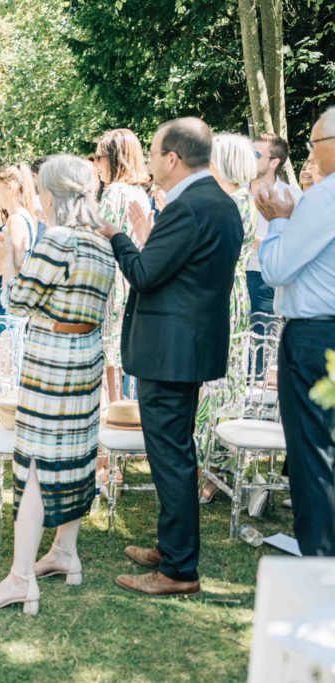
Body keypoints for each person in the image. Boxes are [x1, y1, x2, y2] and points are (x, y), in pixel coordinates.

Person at [102, 117, 242, 597]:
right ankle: (170, 546)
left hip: (170, 352)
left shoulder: (188, 209)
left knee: (171, 457)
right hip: (189, 347)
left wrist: (115, 236)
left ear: (173, 159)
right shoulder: (219, 203)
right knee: (175, 451)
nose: (151, 162)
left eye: (155, 153)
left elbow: (142, 273)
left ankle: (179, 569)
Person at [0, 155, 116, 615]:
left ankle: (20, 579)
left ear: (50, 194)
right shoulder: (100, 243)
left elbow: (17, 300)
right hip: (87, 356)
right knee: (75, 456)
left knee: (35, 460)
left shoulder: (58, 241)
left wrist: (12, 262)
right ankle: (64, 553)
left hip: (52, 358)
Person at [256, 106, 335, 557]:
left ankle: (319, 560)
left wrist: (280, 219)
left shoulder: (324, 197)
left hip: (315, 336)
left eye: (314, 145)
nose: (310, 153)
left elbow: (278, 269)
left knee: (311, 454)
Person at [196, 133, 259, 503]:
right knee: (221, 380)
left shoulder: (232, 203)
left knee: (218, 383)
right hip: (229, 293)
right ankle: (213, 464)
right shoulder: (239, 200)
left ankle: (213, 467)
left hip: (222, 296)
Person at [92, 129, 151, 404]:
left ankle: (115, 412)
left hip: (113, 276)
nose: (96, 164)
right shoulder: (139, 192)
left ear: (114, 159)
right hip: (134, 272)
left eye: (99, 157)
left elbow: (99, 236)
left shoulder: (115, 192)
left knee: (111, 350)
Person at [246, 134, 302, 324]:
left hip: (263, 281)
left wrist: (248, 237)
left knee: (260, 346)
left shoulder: (292, 197)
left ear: (274, 162)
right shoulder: (233, 192)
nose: (248, 158)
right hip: (226, 275)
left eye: (255, 154)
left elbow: (292, 250)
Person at [0, 165, 38, 316]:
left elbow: (4, 267)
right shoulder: (23, 216)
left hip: (7, 307)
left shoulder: (16, 220)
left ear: (9, 188)